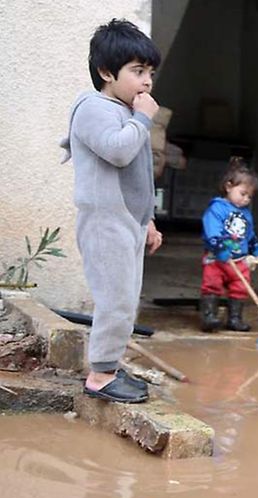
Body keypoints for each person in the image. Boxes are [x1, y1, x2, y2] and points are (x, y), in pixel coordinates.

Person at [61, 19, 163, 404]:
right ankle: (101, 376)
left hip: (127, 221)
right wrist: (142, 119)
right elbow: (118, 151)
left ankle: (110, 367)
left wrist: (148, 220)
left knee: (127, 298)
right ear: (106, 72)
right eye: (137, 71)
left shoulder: (126, 112)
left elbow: (138, 177)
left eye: (150, 72)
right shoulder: (93, 108)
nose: (147, 81)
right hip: (105, 222)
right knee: (115, 300)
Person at [199, 158, 258, 333]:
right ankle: (208, 316)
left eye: (250, 196)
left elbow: (249, 234)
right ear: (228, 187)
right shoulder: (217, 209)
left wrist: (255, 249)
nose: (246, 199)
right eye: (243, 193)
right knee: (212, 285)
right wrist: (219, 247)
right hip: (216, 259)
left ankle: (234, 318)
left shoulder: (246, 215)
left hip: (239, 260)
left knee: (240, 287)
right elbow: (211, 231)